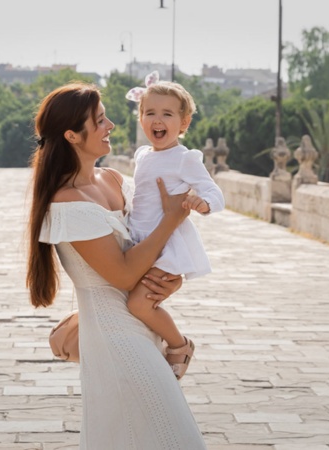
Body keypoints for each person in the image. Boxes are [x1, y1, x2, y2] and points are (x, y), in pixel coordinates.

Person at [26, 82, 208, 449]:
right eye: (100, 120)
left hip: (142, 325)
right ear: (73, 136)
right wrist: (172, 219)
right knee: (171, 437)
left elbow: (142, 248)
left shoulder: (111, 179)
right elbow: (124, 272)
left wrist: (172, 279)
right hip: (114, 339)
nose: (111, 126)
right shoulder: (67, 201)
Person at [125, 78, 225, 380]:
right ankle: (146, 353)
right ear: (141, 118)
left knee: (139, 304)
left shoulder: (184, 158)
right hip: (141, 242)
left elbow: (214, 191)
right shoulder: (142, 155)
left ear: (184, 122)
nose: (157, 120)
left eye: (167, 114)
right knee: (132, 301)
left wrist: (202, 203)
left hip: (167, 248)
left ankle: (179, 345)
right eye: (150, 112)